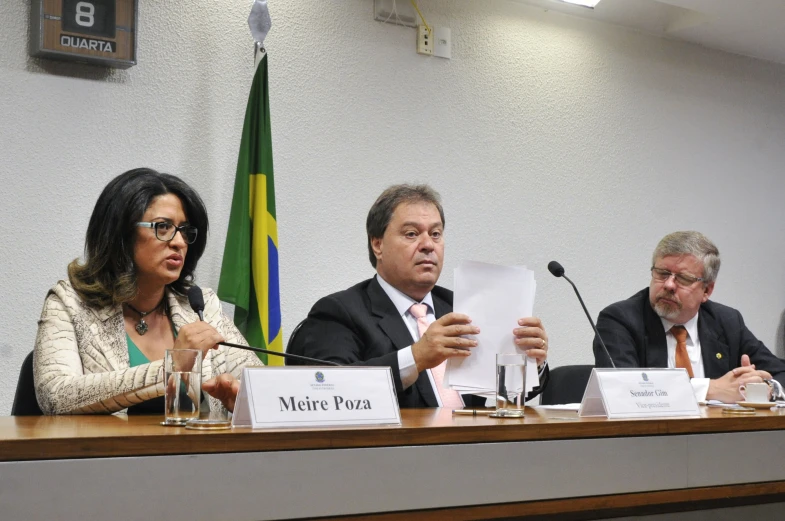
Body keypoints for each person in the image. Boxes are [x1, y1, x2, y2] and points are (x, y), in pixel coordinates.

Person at [288, 184, 549, 408]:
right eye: (412, 234)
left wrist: (529, 363)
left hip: (472, 452)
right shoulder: (340, 312)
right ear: (377, 244)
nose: (428, 244)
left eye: (435, 234)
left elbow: (505, 396)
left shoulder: (459, 307)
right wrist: (417, 357)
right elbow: (330, 390)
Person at [34, 168, 261, 415]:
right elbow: (56, 395)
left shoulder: (201, 306)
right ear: (121, 234)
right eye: (163, 227)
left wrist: (245, 401)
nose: (179, 242)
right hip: (108, 453)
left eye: (184, 230)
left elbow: (261, 385)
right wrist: (170, 367)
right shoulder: (70, 304)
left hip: (198, 453)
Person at [594, 231, 785, 403]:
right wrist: (711, 389)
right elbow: (623, 388)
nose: (669, 285)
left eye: (683, 279)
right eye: (662, 273)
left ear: (707, 290)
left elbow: (780, 373)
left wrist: (765, 388)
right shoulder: (619, 320)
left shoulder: (727, 321)